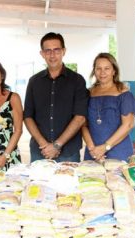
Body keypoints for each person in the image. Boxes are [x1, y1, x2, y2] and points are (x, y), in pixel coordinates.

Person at [24, 32, 88, 162]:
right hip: (40, 151)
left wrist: (57, 145)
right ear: (42, 54)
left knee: (68, 183)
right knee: (37, 183)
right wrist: (44, 145)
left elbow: (80, 117)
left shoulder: (77, 80)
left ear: (63, 51)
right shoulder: (34, 81)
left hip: (68, 152)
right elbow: (28, 116)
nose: (52, 55)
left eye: (56, 50)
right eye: (47, 51)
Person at [82, 53, 135, 162]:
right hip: (93, 152)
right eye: (98, 68)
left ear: (114, 71)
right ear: (94, 71)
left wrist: (105, 147)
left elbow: (128, 124)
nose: (102, 72)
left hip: (118, 152)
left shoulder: (123, 94)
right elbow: (83, 124)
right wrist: (92, 149)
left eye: (107, 68)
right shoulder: (88, 94)